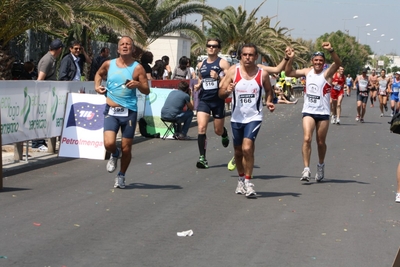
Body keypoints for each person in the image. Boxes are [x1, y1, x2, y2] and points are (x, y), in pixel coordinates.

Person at [219, 43, 275, 197]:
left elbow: (269, 90)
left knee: (247, 148)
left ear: (256, 57)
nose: (248, 58)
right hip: (237, 117)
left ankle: (249, 183)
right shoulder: (233, 72)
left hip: (254, 117)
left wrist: (269, 101)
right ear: (241, 56)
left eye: (251, 55)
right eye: (245, 55)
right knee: (238, 152)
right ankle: (241, 179)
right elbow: (220, 93)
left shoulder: (262, 74)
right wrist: (227, 91)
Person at [94, 36, 150, 189]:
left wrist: (138, 84)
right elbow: (99, 74)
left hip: (129, 112)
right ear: (118, 49)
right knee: (109, 143)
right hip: (111, 110)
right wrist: (97, 86)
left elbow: (146, 90)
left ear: (133, 49)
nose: (125, 46)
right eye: (122, 44)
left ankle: (121, 175)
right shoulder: (108, 64)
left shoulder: (138, 68)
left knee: (127, 148)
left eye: (128, 44)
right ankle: (114, 153)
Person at [285, 42, 341, 182]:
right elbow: (288, 73)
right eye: (316, 60)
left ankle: (320, 165)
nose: (318, 63)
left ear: (324, 63)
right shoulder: (306, 72)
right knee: (306, 138)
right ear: (312, 61)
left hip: (323, 113)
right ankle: (306, 169)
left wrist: (331, 50)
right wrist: (290, 58)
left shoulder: (327, 73)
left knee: (320, 142)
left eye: (321, 61)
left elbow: (338, 63)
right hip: (308, 111)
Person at [193, 38, 231, 169]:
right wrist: (198, 85)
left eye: (214, 46)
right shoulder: (200, 64)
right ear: (206, 47)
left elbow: (230, 78)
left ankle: (224, 133)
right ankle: (202, 158)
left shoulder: (223, 63)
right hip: (204, 100)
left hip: (217, 100)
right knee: (201, 128)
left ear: (219, 49)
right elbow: (201, 78)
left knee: (217, 130)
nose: (211, 48)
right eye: (209, 46)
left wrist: (219, 78)